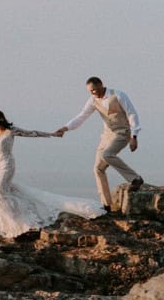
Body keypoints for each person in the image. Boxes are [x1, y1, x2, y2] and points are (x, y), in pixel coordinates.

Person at [0, 108, 104, 241]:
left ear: (0, 121)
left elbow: (32, 133)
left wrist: (51, 134)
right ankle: (2, 225)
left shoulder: (11, 131)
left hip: (6, 166)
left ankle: (12, 224)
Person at [57, 77, 144, 208]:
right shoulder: (93, 100)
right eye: (90, 91)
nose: (93, 92)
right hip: (107, 135)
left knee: (107, 155)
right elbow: (82, 116)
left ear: (100, 85)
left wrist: (134, 136)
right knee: (98, 168)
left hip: (123, 132)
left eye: (94, 89)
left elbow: (132, 114)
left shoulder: (118, 95)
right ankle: (106, 205)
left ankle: (135, 179)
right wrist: (66, 128)